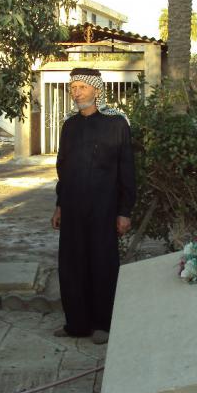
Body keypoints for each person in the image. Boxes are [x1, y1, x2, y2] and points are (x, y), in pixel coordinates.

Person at [51, 68, 136, 344]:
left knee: (101, 263)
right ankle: (76, 323)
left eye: (82, 87)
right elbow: (62, 168)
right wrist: (60, 205)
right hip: (73, 208)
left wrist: (124, 211)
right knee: (72, 264)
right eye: (73, 87)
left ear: (96, 90)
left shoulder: (117, 124)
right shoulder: (69, 125)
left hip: (104, 208)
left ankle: (103, 324)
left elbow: (127, 170)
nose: (76, 92)